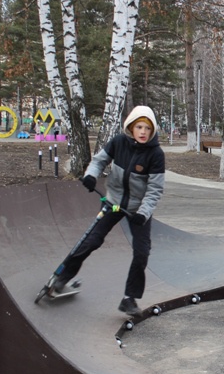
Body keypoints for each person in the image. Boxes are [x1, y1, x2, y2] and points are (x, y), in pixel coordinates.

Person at [52, 105, 165, 315]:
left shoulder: (156, 154)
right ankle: (62, 277)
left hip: (137, 210)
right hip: (112, 202)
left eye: (147, 129)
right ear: (131, 127)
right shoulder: (118, 142)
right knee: (92, 240)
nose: (143, 132)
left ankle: (129, 299)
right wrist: (91, 175)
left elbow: (155, 189)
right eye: (139, 127)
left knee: (142, 253)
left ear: (152, 131)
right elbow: (99, 160)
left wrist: (144, 212)